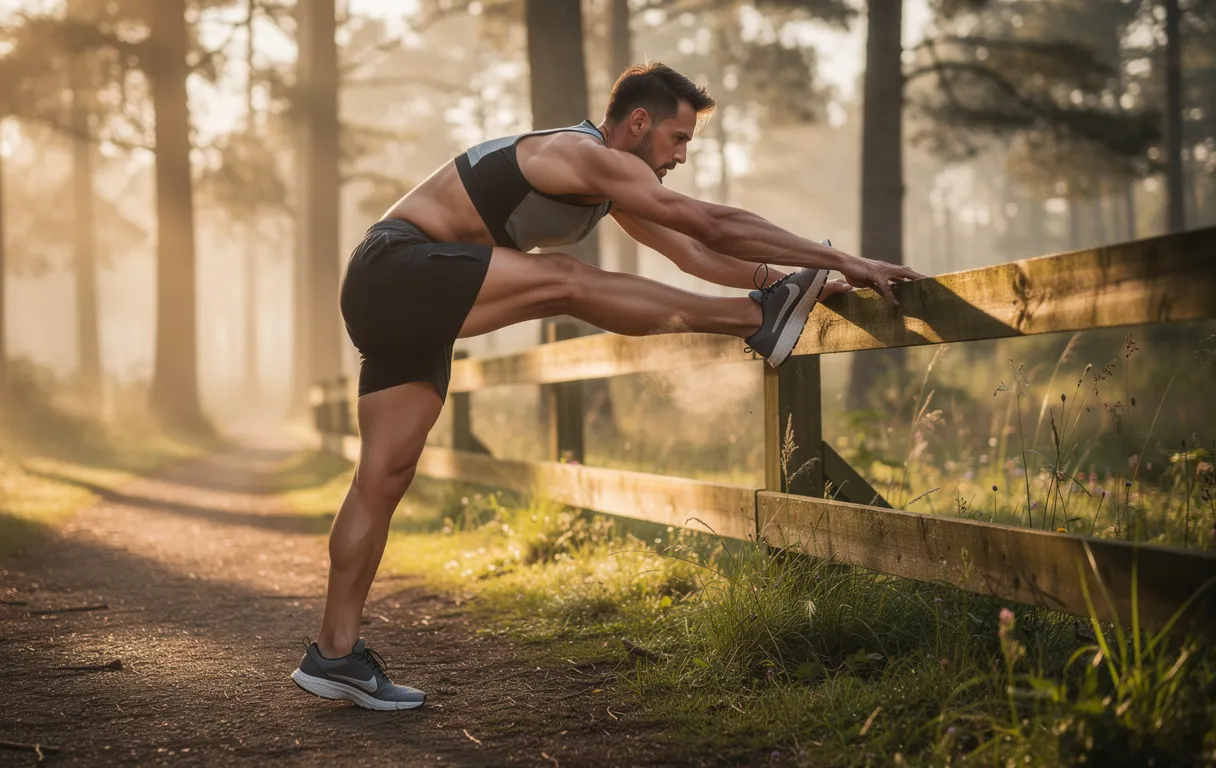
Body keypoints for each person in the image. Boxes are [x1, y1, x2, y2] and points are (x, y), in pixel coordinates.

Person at [291, 63, 924, 710]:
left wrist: (797, 281)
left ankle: (334, 653)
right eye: (677, 139)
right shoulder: (580, 154)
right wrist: (839, 257)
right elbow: (708, 222)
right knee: (567, 279)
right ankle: (756, 322)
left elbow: (693, 253)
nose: (681, 156)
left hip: (409, 297)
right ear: (639, 122)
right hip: (395, 268)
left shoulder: (607, 187)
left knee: (384, 476)